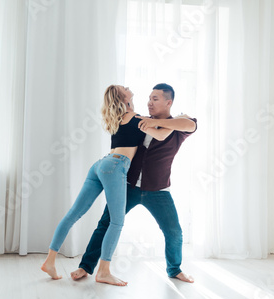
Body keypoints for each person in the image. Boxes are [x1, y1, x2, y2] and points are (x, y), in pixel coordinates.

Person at [41, 85, 173, 286]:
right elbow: (162, 135)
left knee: (73, 214)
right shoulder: (137, 118)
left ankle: (50, 261)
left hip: (100, 165)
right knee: (117, 222)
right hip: (115, 166)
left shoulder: (117, 117)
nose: (128, 87)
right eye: (124, 88)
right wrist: (180, 122)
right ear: (123, 97)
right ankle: (103, 271)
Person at [70, 83, 197, 283]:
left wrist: (166, 122)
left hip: (158, 189)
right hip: (127, 186)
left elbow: (191, 125)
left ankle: (174, 269)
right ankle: (86, 266)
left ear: (168, 102)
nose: (149, 103)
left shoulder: (178, 126)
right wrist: (147, 121)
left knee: (174, 231)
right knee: (105, 224)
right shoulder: (138, 121)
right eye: (149, 98)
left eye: (155, 99)